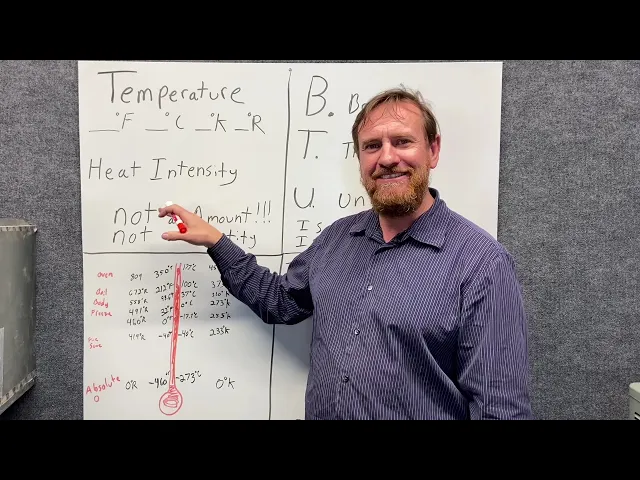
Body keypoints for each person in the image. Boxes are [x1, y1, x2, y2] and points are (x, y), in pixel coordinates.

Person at [158, 86, 533, 420]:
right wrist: (216, 241)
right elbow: (280, 301)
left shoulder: (482, 264)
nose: (387, 158)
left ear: (433, 150)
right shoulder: (336, 240)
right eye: (372, 146)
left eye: (402, 141)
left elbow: (500, 409)